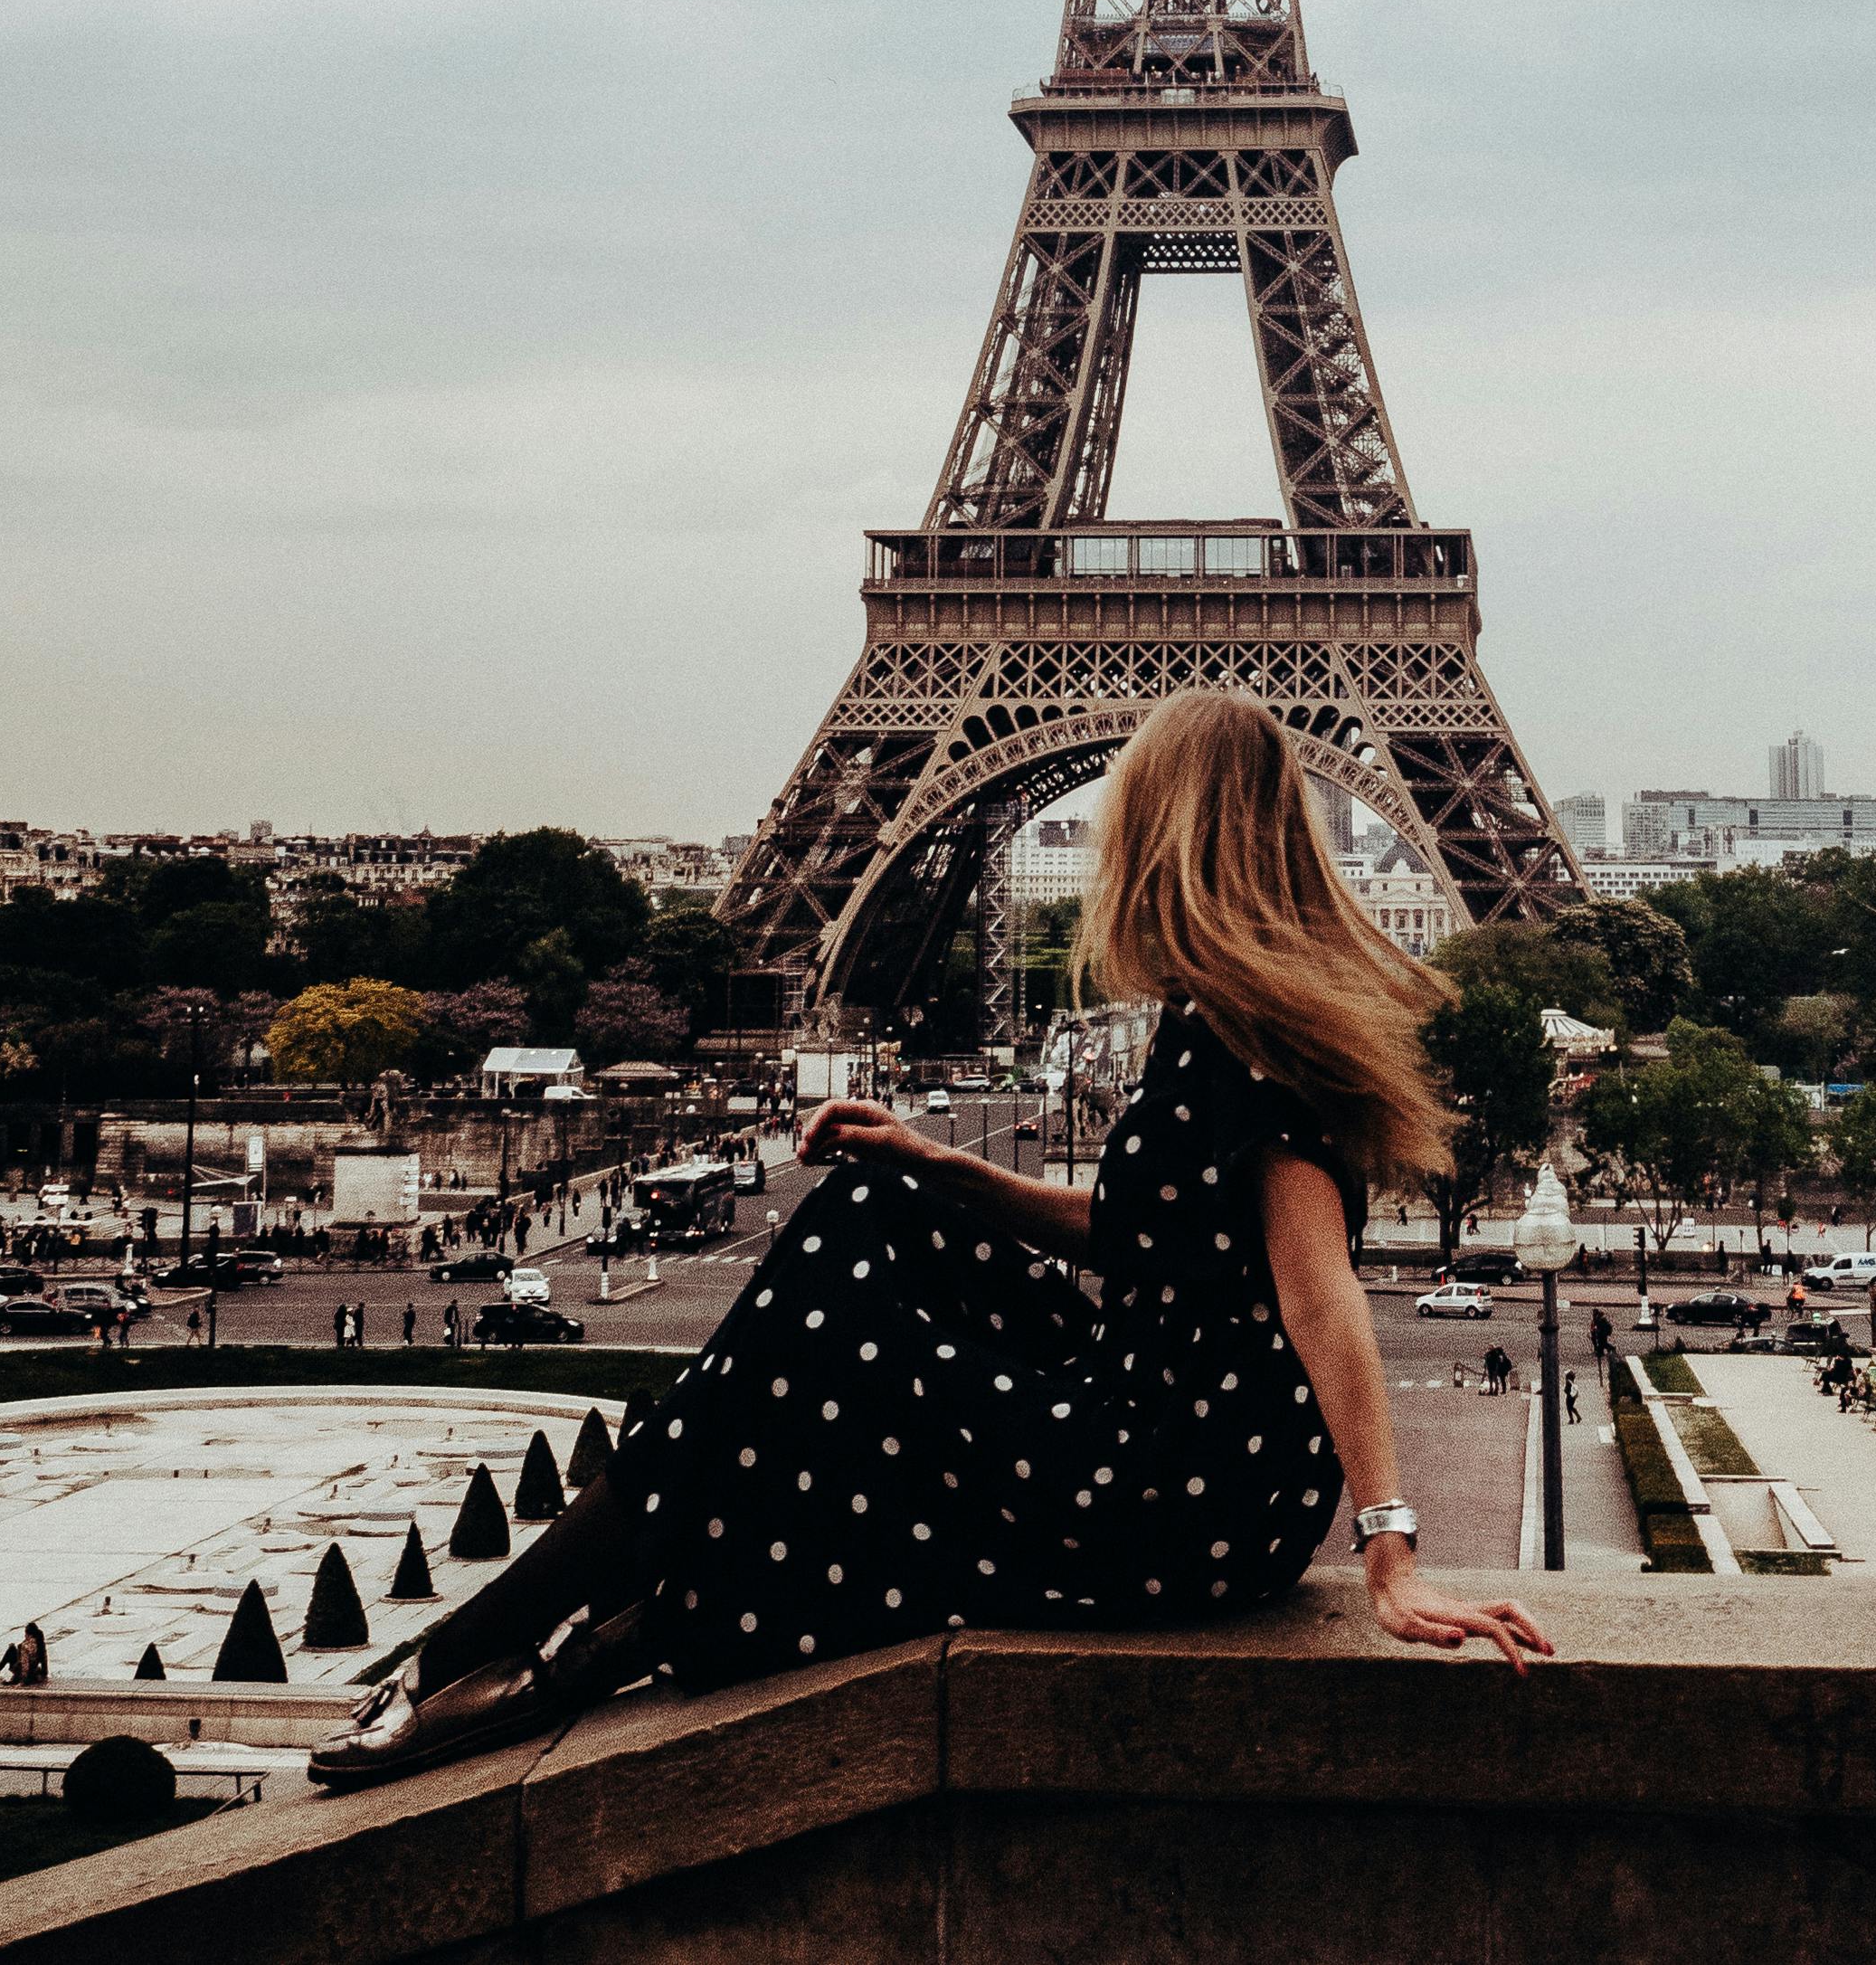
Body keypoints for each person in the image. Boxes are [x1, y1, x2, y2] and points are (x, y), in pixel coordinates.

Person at [313, 692, 1550, 1790]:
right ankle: (621, 1621)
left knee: (812, 1340)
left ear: (1166, 831)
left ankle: (480, 1653)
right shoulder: (1217, 1018)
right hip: (1174, 1428)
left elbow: (1320, 1291)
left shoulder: (1251, 1042)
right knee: (876, 1210)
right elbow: (1142, 1238)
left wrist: (1390, 1551)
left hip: (1183, 1482)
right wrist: (934, 1159)